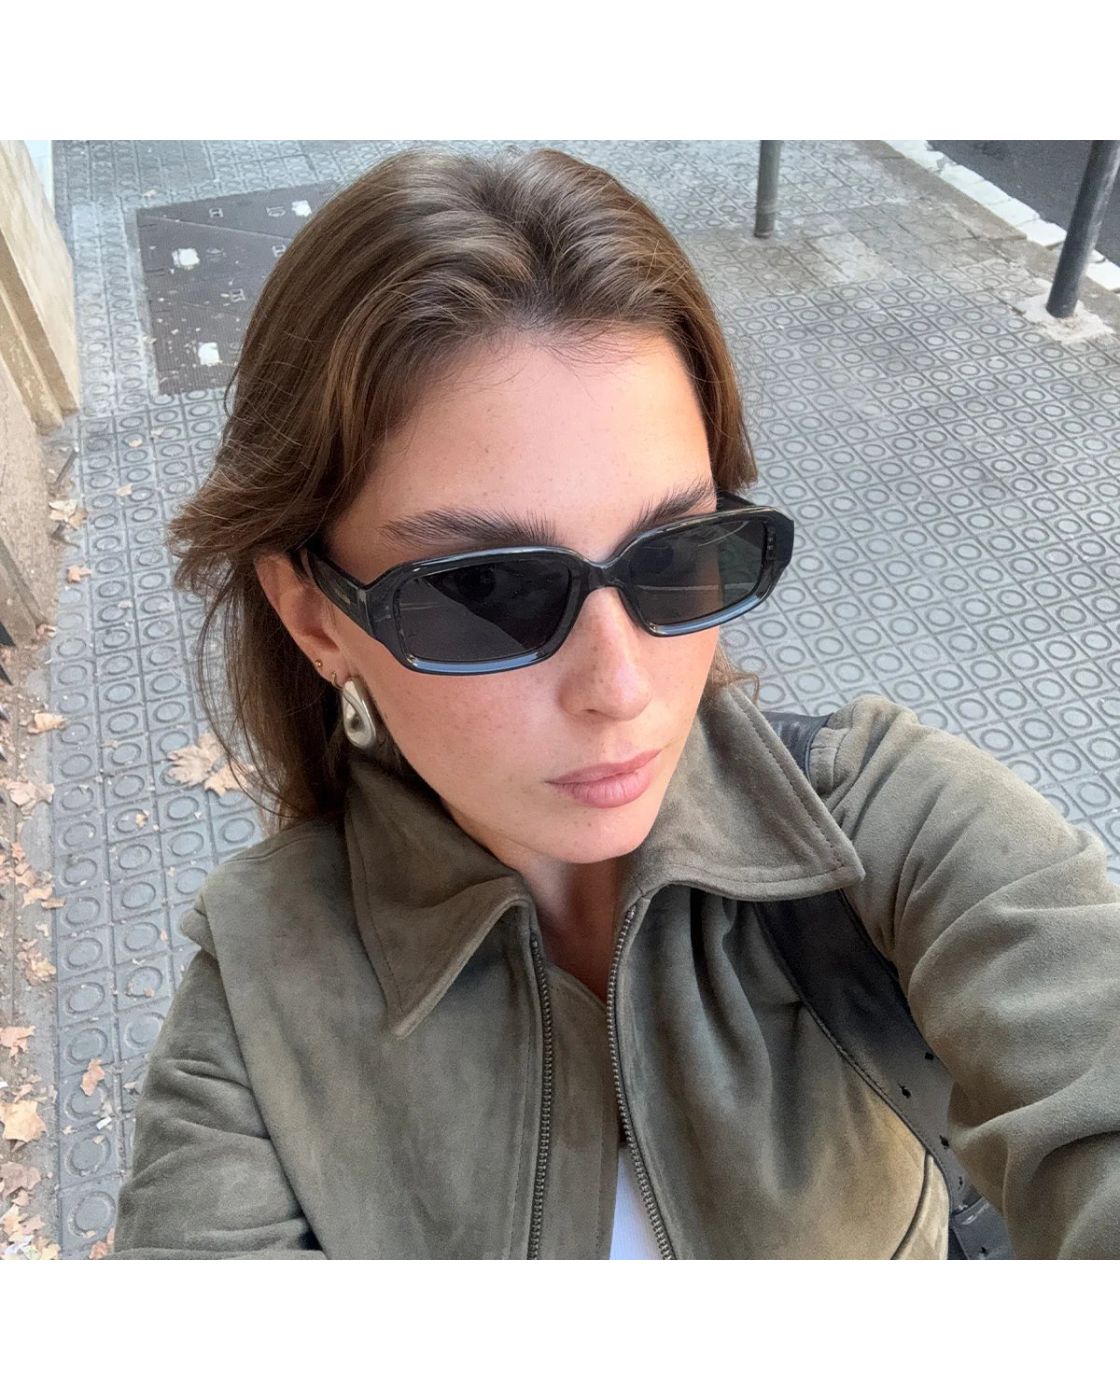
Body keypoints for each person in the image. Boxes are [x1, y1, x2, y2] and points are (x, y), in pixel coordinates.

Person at [110, 144, 1120, 1260]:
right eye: (485, 592)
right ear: (315, 619)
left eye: (675, 557)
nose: (621, 685)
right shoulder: (257, 1010)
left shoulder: (873, 827)